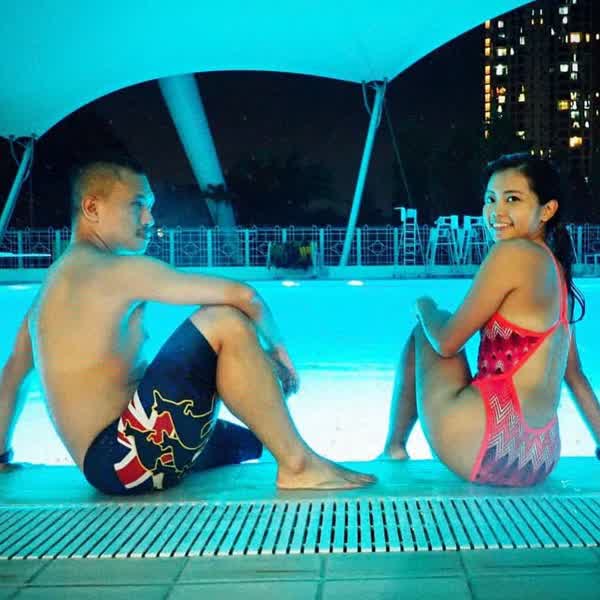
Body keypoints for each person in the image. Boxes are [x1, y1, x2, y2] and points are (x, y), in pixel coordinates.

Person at [0, 157, 375, 494]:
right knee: (223, 320)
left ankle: (293, 457)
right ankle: (299, 467)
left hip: (110, 465)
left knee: (255, 441)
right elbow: (244, 296)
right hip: (126, 458)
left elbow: (14, 375)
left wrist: (1, 456)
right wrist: (279, 354)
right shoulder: (114, 270)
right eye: (137, 205)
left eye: (151, 207)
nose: (149, 219)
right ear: (92, 208)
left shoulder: (48, 293)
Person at [381, 153, 600, 486]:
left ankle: (394, 448)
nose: (496, 212)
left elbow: (447, 342)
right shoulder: (557, 273)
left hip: (487, 448)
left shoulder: (511, 253)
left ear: (547, 210)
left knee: (427, 330)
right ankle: (394, 448)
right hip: (537, 458)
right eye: (490, 199)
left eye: (512, 199)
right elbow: (575, 374)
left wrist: (425, 306)